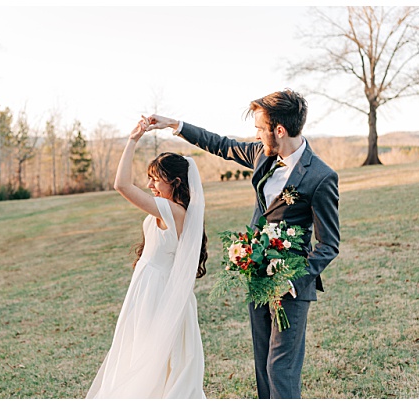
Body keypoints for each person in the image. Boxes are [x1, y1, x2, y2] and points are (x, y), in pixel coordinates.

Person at [144, 89, 340, 399]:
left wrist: (292, 281)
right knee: (263, 364)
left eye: (260, 128)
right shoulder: (262, 155)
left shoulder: (321, 176)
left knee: (281, 368)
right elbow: (219, 144)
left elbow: (329, 243)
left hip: (291, 284)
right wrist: (175, 125)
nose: (257, 134)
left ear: (279, 130)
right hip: (256, 275)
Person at [86, 118, 207, 398]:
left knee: (149, 353)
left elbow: (121, 185)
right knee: (151, 353)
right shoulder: (175, 210)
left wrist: (132, 140)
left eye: (156, 178)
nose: (150, 184)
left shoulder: (172, 210)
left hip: (156, 290)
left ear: (175, 182)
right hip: (151, 285)